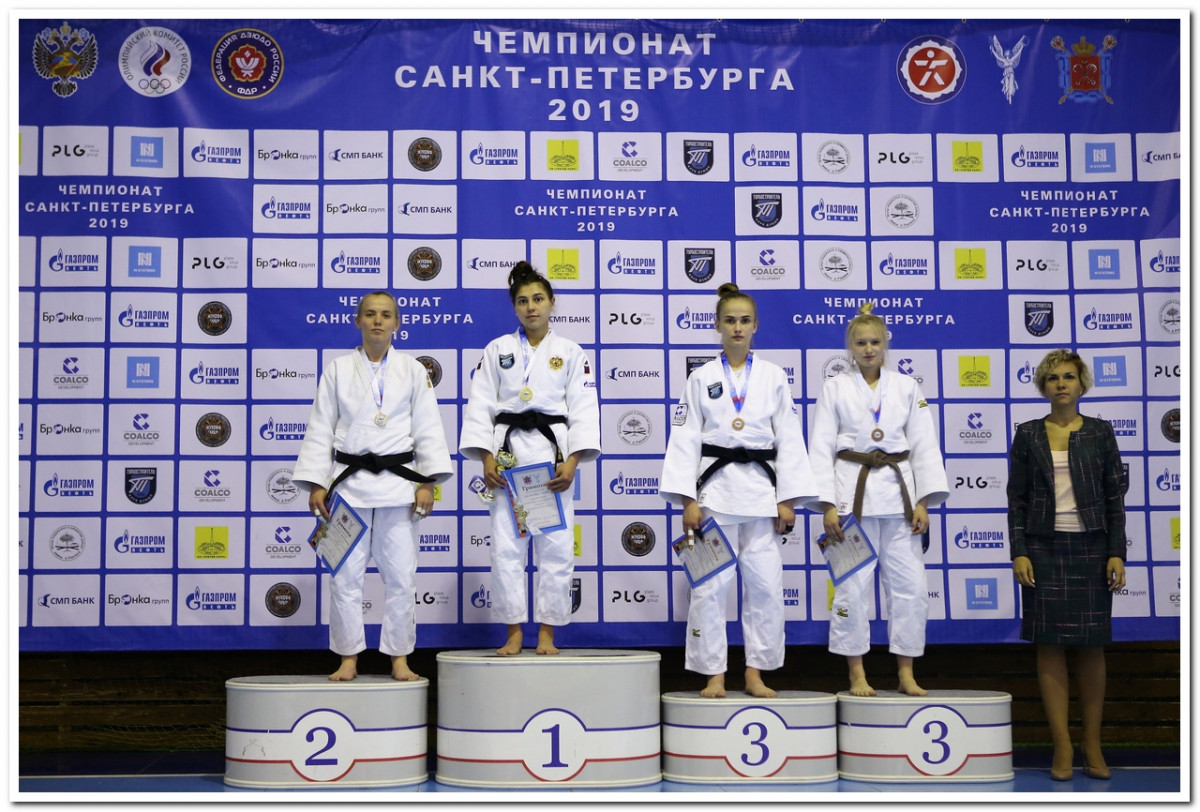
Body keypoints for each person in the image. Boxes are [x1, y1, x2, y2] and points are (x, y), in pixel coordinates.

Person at [659, 283, 817, 698]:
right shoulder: (701, 378)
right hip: (715, 494)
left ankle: (754, 672)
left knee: (765, 587)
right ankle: (713, 673)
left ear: (756, 326)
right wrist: (688, 500)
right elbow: (685, 441)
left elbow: (789, 438)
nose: (737, 328)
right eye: (729, 320)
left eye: (745, 321)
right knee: (710, 587)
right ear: (717, 325)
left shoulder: (773, 376)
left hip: (762, 494)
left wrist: (787, 498)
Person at [293, 290, 453, 682]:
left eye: (385, 314)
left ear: (397, 323)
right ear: (358, 321)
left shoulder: (412, 370)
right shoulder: (337, 369)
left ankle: (399, 657)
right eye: (369, 314)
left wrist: (427, 482)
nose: (377, 321)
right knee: (344, 576)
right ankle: (348, 656)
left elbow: (428, 428)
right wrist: (317, 483)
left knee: (401, 577)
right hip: (348, 485)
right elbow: (321, 427)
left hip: (400, 486)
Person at [459, 261, 600, 656]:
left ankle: (548, 633)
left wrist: (572, 461)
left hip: (552, 459)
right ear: (514, 307)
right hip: (508, 458)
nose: (531, 307)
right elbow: (480, 406)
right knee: (506, 548)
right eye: (522, 301)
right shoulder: (497, 350)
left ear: (552, 302)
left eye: (538, 299)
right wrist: (486, 457)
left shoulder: (570, 352)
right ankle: (514, 632)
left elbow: (584, 410)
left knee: (556, 548)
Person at [808, 302, 948, 697]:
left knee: (911, 589)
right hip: (851, 498)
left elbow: (924, 444)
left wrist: (923, 501)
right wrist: (828, 504)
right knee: (851, 588)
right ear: (849, 347)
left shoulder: (906, 387)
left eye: (875, 342)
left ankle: (906, 672)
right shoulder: (835, 387)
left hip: (899, 499)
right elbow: (820, 446)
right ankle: (857, 673)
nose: (868, 349)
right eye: (860, 343)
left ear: (885, 343)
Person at [1007, 349, 1127, 781]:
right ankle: (1062, 745)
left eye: (1069, 377)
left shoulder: (1100, 432)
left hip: (1093, 547)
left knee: (1092, 646)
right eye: (1053, 377)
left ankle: (1092, 744)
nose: (1061, 384)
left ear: (1082, 384)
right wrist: (1019, 550)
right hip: (1043, 548)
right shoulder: (1027, 434)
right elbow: (1016, 499)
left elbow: (1115, 497)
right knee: (1049, 646)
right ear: (1043, 386)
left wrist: (1117, 551)